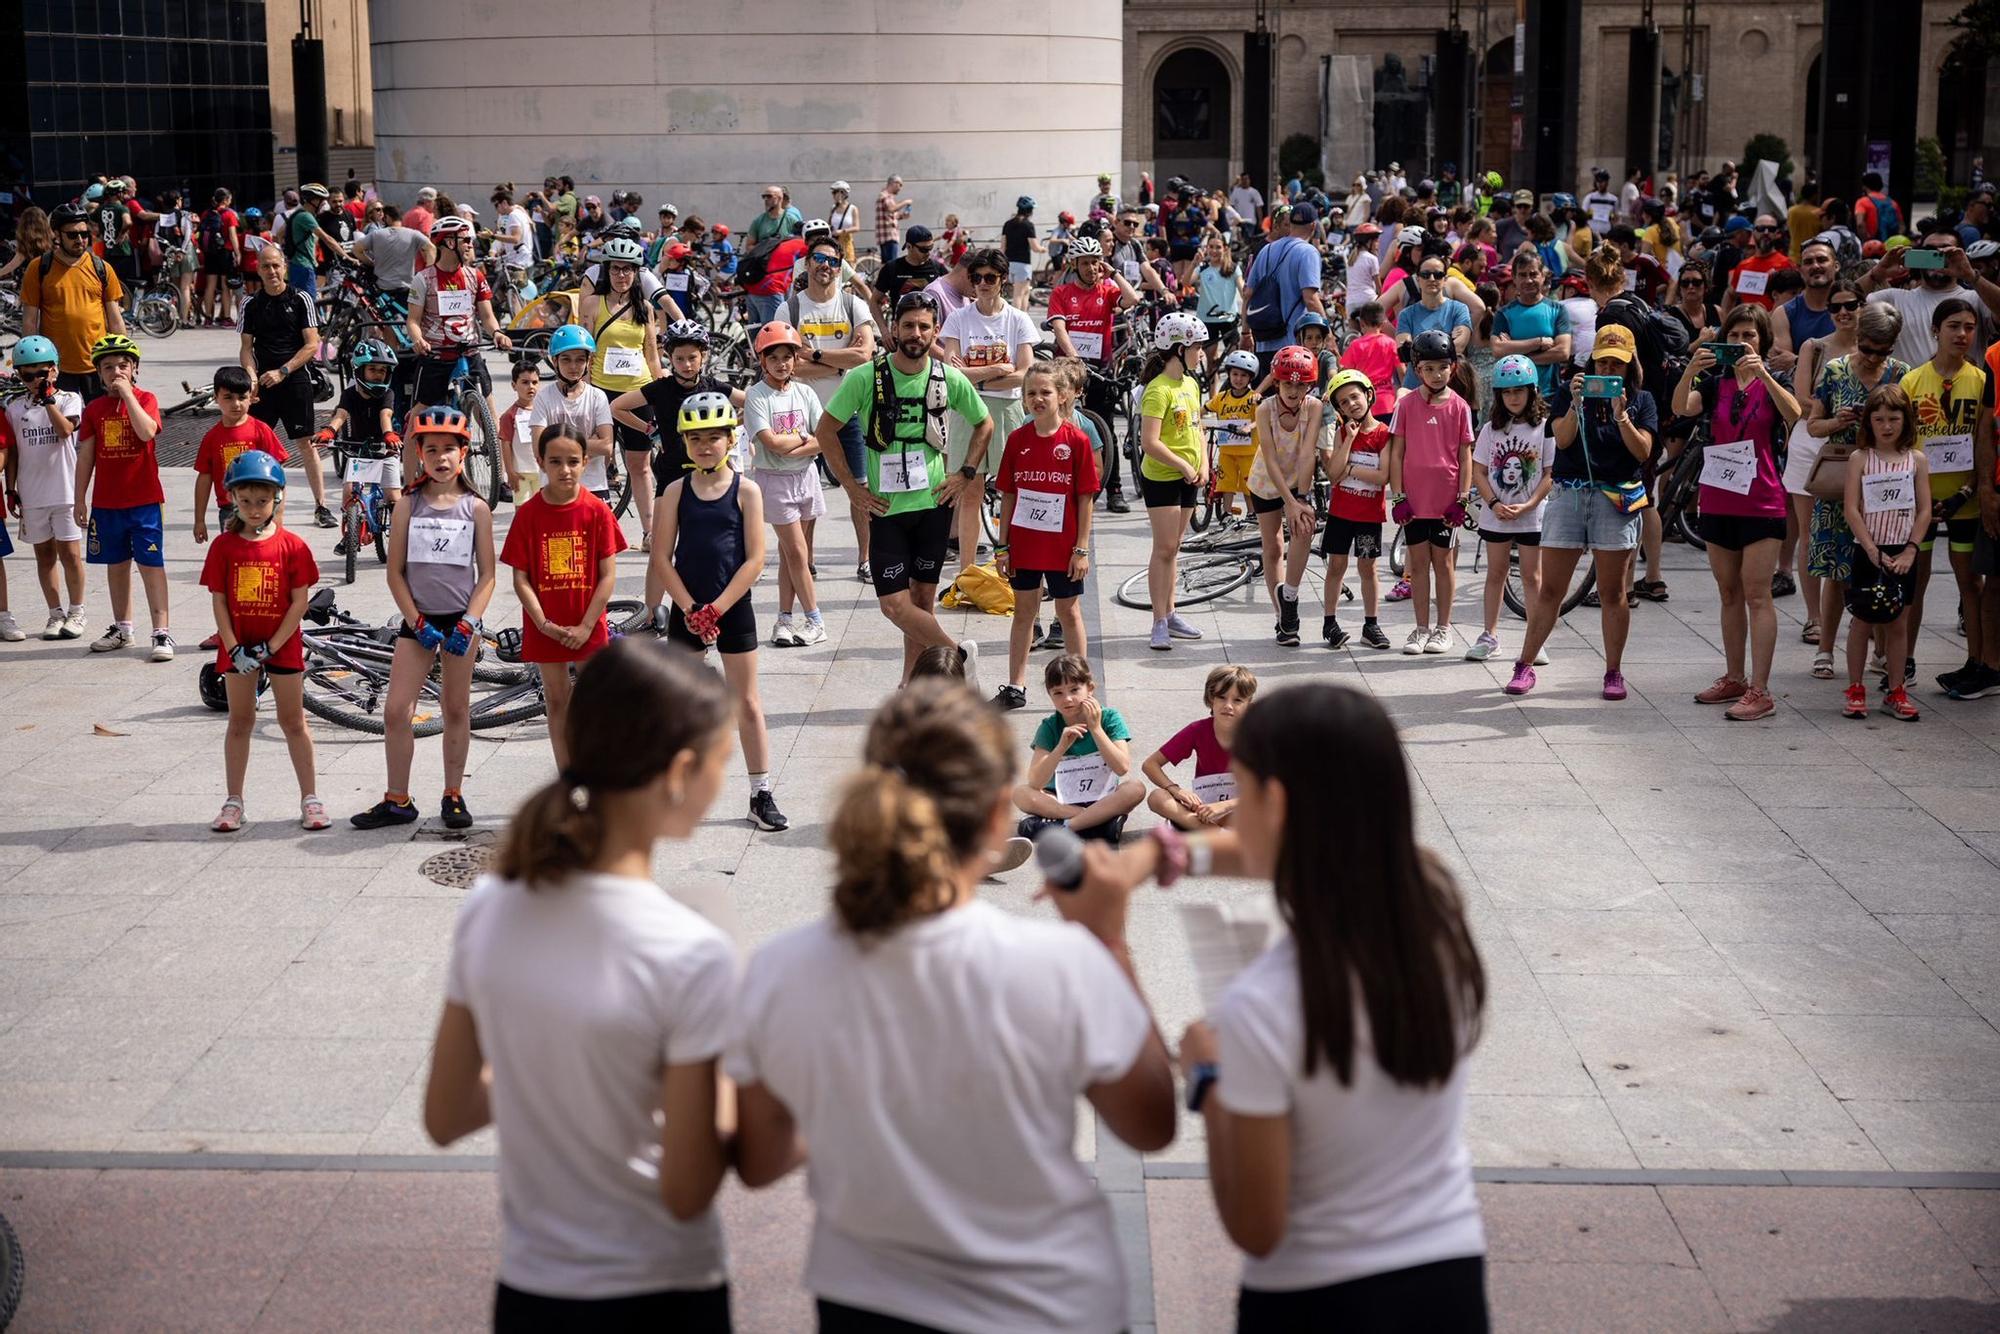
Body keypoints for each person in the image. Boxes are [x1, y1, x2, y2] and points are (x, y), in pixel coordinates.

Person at [728, 679, 1174, 1330]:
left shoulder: (780, 968)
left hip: (871, 1300)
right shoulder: (1061, 964)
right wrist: (1110, 941)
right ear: (1000, 815)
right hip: (1048, 1300)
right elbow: (1151, 1123)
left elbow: (760, 1159)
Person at [1087, 683, 1490, 1330]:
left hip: (1315, 1298)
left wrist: (1208, 1076)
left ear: (1273, 802)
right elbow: (1309, 853)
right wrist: (1161, 854)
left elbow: (1256, 1225)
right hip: (1448, 1278)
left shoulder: (1263, 1006)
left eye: (1238, 788)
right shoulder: (1434, 905)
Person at [425, 640, 738, 1331]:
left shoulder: (489, 909)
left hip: (532, 1290)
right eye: (723, 760)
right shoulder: (689, 950)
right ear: (681, 772)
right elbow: (687, 1190)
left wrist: (564, 1072)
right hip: (664, 1288)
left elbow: (445, 1116)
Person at [814, 291, 991, 682]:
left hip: (932, 505)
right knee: (894, 604)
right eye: (908, 325)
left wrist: (964, 473)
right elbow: (826, 430)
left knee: (922, 602)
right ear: (894, 328)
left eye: (924, 326)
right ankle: (958, 653)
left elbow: (984, 424)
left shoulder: (947, 376)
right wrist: (851, 487)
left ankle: (911, 685)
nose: (916, 333)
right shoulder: (866, 376)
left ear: (936, 331)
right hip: (886, 509)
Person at [347, 408, 497, 832]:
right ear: (420, 454)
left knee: (455, 708)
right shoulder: (407, 505)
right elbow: (395, 573)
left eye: (450, 448)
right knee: (397, 710)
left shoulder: (476, 508)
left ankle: (453, 793)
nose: (441, 457)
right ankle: (398, 798)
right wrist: (417, 620)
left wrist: (470, 621)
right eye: (432, 449)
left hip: (460, 622)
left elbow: (487, 574)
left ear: (464, 454)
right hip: (418, 621)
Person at [643, 392, 786, 831]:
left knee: (746, 702)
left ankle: (760, 792)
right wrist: (689, 608)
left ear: (730, 440)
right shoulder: (674, 490)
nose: (705, 446)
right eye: (696, 439)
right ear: (684, 443)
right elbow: (663, 557)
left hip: (732, 607)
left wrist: (716, 610)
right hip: (688, 607)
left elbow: (755, 559)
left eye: (714, 438)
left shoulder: (747, 490)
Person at [1506, 323, 1658, 698]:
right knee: (1550, 589)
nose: (1607, 371)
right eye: (1602, 363)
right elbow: (1562, 439)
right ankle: (1524, 665)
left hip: (1616, 498)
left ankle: (1613, 672)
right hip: (1571, 495)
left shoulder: (1642, 400)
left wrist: (1622, 415)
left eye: (1616, 365)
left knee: (1612, 593)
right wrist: (1575, 404)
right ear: (1591, 362)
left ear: (1630, 366)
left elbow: (1643, 452)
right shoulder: (1569, 391)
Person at [1673, 307, 1801, 721]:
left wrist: (1763, 374)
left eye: (1750, 334)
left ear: (1762, 339)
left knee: (1757, 593)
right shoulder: (1714, 383)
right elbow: (1682, 408)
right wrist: (1691, 366)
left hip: (1761, 500)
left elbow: (1794, 415)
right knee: (1728, 592)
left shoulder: (1774, 380)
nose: (1743, 340)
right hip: (1718, 496)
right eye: (1735, 333)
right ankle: (1734, 677)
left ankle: (1761, 689)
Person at [200, 452, 324, 833]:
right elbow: (219, 600)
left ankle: (310, 798)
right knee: (240, 721)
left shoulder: (293, 546)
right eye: (246, 501)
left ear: (278, 499)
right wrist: (233, 645)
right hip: (238, 645)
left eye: (262, 501)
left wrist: (270, 646)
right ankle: (234, 801)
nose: (254, 509)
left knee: (293, 721)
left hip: (281, 644)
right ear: (233, 499)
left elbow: (299, 601)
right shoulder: (223, 547)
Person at [501, 423, 627, 769]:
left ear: (586, 461)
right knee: (557, 702)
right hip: (546, 627)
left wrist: (587, 626)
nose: (564, 470)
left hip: (589, 625)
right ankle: (568, 777)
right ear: (540, 462)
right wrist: (542, 623)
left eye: (572, 461)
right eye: (555, 461)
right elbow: (520, 578)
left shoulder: (597, 511)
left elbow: (608, 576)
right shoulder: (528, 514)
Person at [1803, 304, 1909, 682]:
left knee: (1883, 567)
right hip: (1840, 481)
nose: (1873, 357)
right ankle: (1826, 648)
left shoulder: (1901, 375)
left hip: (1885, 487)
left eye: (1882, 350)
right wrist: (1839, 419)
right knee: (1836, 570)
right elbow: (1813, 426)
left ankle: (1880, 652)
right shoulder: (1835, 371)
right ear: (1858, 338)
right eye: (1867, 348)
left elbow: (1911, 434)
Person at [990, 363, 1099, 710]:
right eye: (1031, 393)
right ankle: (1015, 686)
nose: (1038, 399)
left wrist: (1081, 549)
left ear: (1062, 396)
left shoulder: (1077, 441)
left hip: (1063, 547)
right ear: (1023, 399)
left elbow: (1085, 498)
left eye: (1045, 392)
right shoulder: (1017, 440)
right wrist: (1002, 546)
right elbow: (1007, 495)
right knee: (1024, 612)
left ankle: (1080, 686)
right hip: (1024, 544)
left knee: (1069, 612)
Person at [1900, 299, 1991, 695]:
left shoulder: (1982, 380)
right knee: (1914, 583)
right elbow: (1900, 443)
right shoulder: (1912, 382)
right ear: (1936, 330)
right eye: (1954, 326)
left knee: (1969, 581)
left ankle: (1977, 660)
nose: (1962, 335)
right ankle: (1903, 659)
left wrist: (1967, 490)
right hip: (1920, 499)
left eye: (1970, 327)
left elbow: (1987, 443)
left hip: (1965, 499)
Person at [781, 240, 880, 580]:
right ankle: (804, 562)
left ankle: (866, 559)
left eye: (833, 261)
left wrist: (817, 356)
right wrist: (841, 364)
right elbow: (788, 367)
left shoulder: (852, 305)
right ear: (807, 264)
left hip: (846, 412)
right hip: (801, 414)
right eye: (819, 259)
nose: (826, 265)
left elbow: (864, 355)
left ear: (841, 268)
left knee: (860, 487)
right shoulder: (791, 309)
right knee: (803, 493)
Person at [939, 248, 1037, 577]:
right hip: (967, 410)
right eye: (977, 277)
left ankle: (1012, 562)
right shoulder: (958, 318)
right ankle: (966, 571)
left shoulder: (1017, 319)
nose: (982, 283)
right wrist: (996, 368)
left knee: (1013, 490)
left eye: (990, 278)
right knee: (970, 491)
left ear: (1003, 280)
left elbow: (1026, 373)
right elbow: (952, 374)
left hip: (1007, 409)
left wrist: (975, 376)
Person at [74, 334, 172, 660]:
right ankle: (122, 627)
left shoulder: (146, 399)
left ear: (134, 369)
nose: (116, 372)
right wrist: (79, 499)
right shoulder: (94, 410)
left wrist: (128, 394)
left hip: (144, 500)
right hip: (107, 503)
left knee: (150, 565)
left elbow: (146, 432)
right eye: (108, 367)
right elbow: (86, 457)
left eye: (123, 366)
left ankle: (161, 633)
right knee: (116, 566)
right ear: (98, 374)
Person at [1841, 385, 1931, 721]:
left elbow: (1924, 509)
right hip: (1868, 548)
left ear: (1905, 421)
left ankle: (1896, 689)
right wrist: (1870, 548)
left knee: (1898, 622)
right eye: (1879, 419)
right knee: (1862, 620)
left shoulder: (1916, 460)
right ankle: (1855, 687)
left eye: (1893, 418)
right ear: (1869, 423)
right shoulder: (1860, 458)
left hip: (1903, 550)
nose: (1887, 426)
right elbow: (1852, 508)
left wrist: (1911, 550)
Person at [741, 323, 827, 648]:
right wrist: (806, 438)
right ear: (762, 361)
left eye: (787, 357)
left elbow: (825, 438)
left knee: (789, 554)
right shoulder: (756, 396)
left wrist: (802, 442)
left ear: (795, 359)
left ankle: (784, 619)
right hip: (775, 481)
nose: (781, 363)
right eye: (773, 357)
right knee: (797, 552)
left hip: (806, 477)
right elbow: (771, 444)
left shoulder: (805, 392)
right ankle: (815, 619)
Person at [1466, 355, 1555, 664]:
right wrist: (1493, 503)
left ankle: (1536, 638)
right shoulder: (1491, 429)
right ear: (1499, 395)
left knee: (1532, 576)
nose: (1513, 397)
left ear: (1532, 391)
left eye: (1519, 390)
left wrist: (1530, 504)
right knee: (1496, 573)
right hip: (1496, 515)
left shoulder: (1545, 428)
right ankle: (1489, 635)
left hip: (1532, 516)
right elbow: (1478, 471)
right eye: (1507, 391)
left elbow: (1549, 474)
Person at [237, 245, 334, 528]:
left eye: (276, 266)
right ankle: (259, 509)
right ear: (258, 269)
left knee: (306, 443)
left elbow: (312, 344)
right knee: (256, 445)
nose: (272, 272)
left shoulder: (301, 298)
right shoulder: (250, 304)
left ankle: (321, 506)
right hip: (263, 384)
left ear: (285, 267)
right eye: (266, 266)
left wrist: (283, 371)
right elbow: (246, 347)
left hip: (295, 380)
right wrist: (251, 376)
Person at [1046, 235, 1143, 511]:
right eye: (1086, 263)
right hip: (1069, 367)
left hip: (1101, 368)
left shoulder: (1107, 290)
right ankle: (1058, 484)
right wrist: (1074, 356)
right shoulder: (1062, 293)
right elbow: (1060, 328)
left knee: (1106, 428)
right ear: (1074, 264)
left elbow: (1132, 298)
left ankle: (1114, 490)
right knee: (1059, 426)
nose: (1091, 268)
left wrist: (1113, 272)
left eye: (1095, 262)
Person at [579, 236, 663, 545]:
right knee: (596, 458)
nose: (621, 275)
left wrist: (660, 388)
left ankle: (649, 531)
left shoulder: (645, 308)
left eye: (628, 270)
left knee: (640, 465)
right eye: (616, 269)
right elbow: (584, 348)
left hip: (637, 393)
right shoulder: (592, 303)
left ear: (636, 273)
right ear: (607, 270)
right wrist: (583, 387)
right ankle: (592, 527)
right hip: (601, 391)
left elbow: (651, 354)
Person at [2, 337, 87, 640]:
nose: (35, 380)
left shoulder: (69, 399)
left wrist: (48, 399)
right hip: (32, 492)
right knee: (45, 556)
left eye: (41, 373)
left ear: (54, 370)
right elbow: (12, 453)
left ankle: (77, 611)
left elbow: (65, 431)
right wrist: (10, 489)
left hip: (63, 490)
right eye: (27, 375)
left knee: (71, 554)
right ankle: (55, 613)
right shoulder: (14, 409)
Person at [1013, 653, 1149, 843]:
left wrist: (1095, 729)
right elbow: (1036, 782)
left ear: (1090, 689)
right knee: (1020, 794)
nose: (1067, 699)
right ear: (1050, 695)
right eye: (1058, 693)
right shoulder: (1050, 726)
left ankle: (1065, 827)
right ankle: (1098, 822)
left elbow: (1122, 767)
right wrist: (1060, 747)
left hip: (1103, 797)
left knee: (1135, 789)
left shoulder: (1110, 718)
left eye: (1074, 690)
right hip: (1061, 798)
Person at [1137, 312, 1212, 651]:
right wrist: (1182, 463)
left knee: (1175, 549)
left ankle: (1171, 612)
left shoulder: (1191, 384)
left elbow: (1197, 427)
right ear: (1178, 348)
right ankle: (1158, 621)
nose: (1202, 353)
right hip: (1164, 476)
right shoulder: (1158, 390)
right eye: (1197, 347)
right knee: (1164, 549)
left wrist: (1205, 463)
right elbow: (1149, 442)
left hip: (1189, 476)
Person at [1248, 346, 1324, 647]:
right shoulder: (1265, 409)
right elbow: (1269, 458)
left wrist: (1300, 500)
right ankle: (1283, 617)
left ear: (1309, 385)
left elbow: (1308, 454)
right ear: (1276, 382)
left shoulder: (1314, 407)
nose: (1294, 390)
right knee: (1273, 547)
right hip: (1267, 481)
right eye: (1287, 383)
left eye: (1301, 384)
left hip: (1299, 481)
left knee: (1303, 531)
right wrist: (1287, 501)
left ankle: (1289, 595)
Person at [405, 216, 513, 424]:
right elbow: (413, 321)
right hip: (436, 356)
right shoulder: (423, 279)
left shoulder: (475, 276)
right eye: (465, 240)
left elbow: (488, 317)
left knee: (491, 419)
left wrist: (498, 333)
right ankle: (407, 456)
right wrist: (419, 340)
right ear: (449, 242)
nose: (470, 245)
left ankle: (497, 456)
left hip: (470, 353)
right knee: (416, 421)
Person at [21, 203, 126, 405]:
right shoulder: (39, 268)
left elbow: (115, 318)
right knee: (62, 430)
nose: (80, 240)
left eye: (84, 234)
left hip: (98, 365)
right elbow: (29, 321)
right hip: (56, 367)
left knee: (104, 427)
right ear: (57, 235)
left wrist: (123, 361)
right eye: (72, 235)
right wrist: (32, 366)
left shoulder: (102, 268)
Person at [1319, 370, 1394, 650]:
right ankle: (1330, 622)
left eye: (1355, 396)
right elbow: (1334, 474)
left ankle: (1371, 624)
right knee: (1336, 566)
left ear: (1368, 395)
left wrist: (1351, 467)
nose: (1352, 404)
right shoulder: (1342, 433)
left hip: (1368, 517)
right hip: (1341, 514)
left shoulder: (1384, 434)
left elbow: (1383, 476)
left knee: (1367, 568)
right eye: (1344, 402)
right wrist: (1348, 440)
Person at [1862, 233, 2000, 370]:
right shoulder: (1892, 299)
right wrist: (1876, 274)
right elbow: (1846, 303)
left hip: (1963, 390)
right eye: (1929, 251)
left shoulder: (1977, 299)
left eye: (1946, 252)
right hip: (1907, 390)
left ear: (1962, 257)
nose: (1936, 256)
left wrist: (1971, 276)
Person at [1143, 665, 1256, 830]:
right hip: (1203, 809)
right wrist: (1176, 790)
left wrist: (1225, 805)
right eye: (1222, 697)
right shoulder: (1197, 730)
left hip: (1241, 809)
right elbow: (1150, 764)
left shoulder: (1257, 736)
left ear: (1248, 704)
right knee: (1157, 797)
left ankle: (1203, 832)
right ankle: (1217, 835)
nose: (1228, 705)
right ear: (1211, 699)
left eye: (1237, 700)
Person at [194, 365, 292, 548]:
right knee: (234, 554)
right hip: (229, 509)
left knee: (264, 551)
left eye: (242, 398)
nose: (236, 404)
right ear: (216, 398)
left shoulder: (261, 430)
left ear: (252, 398)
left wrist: (278, 513)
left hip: (262, 507)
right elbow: (204, 478)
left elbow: (278, 475)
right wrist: (199, 519)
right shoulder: (212, 438)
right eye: (228, 398)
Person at [530, 326, 616, 504]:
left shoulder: (597, 397)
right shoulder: (544, 397)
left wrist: (556, 447)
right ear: (555, 361)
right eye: (566, 360)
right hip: (553, 487)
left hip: (594, 486)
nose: (573, 366)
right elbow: (539, 447)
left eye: (579, 360)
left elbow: (607, 446)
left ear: (587, 362)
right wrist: (589, 443)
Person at [1243, 203, 1327, 376]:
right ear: (1313, 226)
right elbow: (1310, 298)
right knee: (1292, 400)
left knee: (1267, 399)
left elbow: (1247, 294)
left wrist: (1245, 333)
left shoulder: (1266, 250)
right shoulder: (1308, 252)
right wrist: (1329, 333)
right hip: (1292, 345)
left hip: (1263, 339)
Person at [1487, 252, 1571, 397]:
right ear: (1514, 278)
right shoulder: (1504, 314)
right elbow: (1498, 350)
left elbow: (1563, 352)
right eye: (1522, 275)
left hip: (1548, 394)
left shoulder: (1558, 310)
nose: (1529, 280)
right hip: (1515, 396)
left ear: (1542, 276)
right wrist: (1539, 343)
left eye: (1533, 274)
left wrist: (1517, 355)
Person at [1394, 256, 1472, 389]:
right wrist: (1447, 340)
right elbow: (1406, 353)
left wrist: (1418, 347)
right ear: (1418, 279)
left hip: (1452, 387)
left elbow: (1459, 346)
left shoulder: (1459, 309)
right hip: (1415, 387)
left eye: (1438, 274)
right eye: (1425, 275)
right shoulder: (1406, 314)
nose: (1431, 279)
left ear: (1445, 279)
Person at [1206, 349, 1262, 520]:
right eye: (1235, 374)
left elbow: (1261, 419)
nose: (1238, 379)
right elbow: (1203, 409)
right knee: (1226, 483)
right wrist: (1196, 422)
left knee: (1248, 484)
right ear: (1228, 374)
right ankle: (1226, 512)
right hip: (1227, 451)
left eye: (1244, 375)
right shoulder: (1221, 398)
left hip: (1248, 452)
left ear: (1250, 378)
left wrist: (1249, 427)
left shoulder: (1253, 398)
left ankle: (1252, 513)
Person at [195, 190, 241, 326]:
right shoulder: (229, 215)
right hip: (225, 252)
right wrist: (238, 253)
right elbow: (232, 236)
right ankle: (226, 318)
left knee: (210, 286)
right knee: (226, 286)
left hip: (210, 253)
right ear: (226, 199)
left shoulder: (206, 213)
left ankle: (208, 317)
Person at [498, 359, 540, 504]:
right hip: (520, 473)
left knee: (543, 509)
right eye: (525, 382)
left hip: (542, 471)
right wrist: (510, 472)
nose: (531, 387)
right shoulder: (509, 415)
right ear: (514, 385)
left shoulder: (543, 412)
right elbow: (506, 444)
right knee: (522, 509)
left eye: (535, 382)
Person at [1193, 233, 1244, 348]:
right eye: (1210, 247)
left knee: (1233, 355)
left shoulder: (1233, 268)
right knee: (1211, 360)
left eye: (1218, 247)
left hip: (1228, 318)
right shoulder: (1203, 267)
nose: (1214, 251)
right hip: (1207, 319)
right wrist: (1193, 263)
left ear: (1225, 248)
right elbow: (1186, 282)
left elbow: (1243, 290)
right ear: (1206, 248)